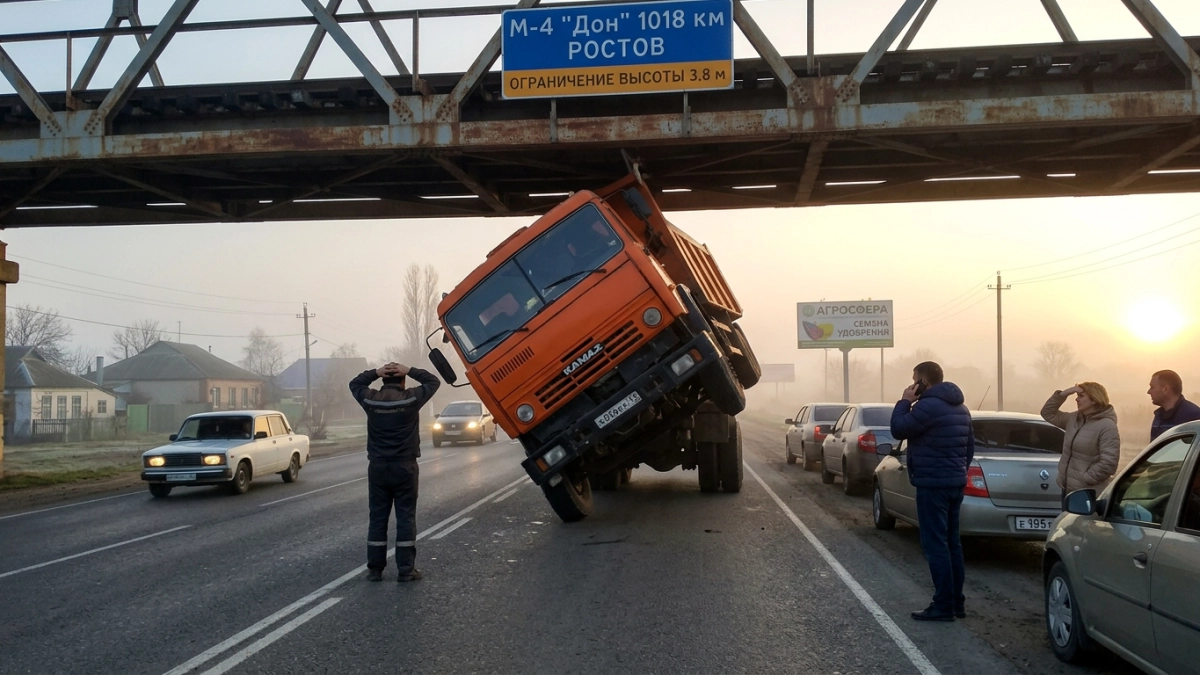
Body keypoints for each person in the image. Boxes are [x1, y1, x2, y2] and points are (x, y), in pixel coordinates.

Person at [890, 361, 974, 622]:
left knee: (935, 546)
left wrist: (904, 401)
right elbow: (969, 448)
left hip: (932, 485)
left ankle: (943, 606)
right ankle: (956, 603)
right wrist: (956, 471)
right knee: (952, 544)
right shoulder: (961, 408)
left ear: (923, 382)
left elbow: (899, 429)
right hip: (954, 484)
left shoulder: (927, 406)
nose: (912, 384)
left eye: (914, 379)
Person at [349, 361, 441, 582]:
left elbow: (355, 383)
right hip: (405, 466)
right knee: (405, 517)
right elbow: (433, 381)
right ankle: (406, 570)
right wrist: (410, 369)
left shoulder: (370, 399)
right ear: (403, 380)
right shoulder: (411, 399)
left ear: (382, 380)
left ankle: (375, 570)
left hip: (378, 466)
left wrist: (375, 372)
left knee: (378, 518)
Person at [1040, 382, 1120, 493]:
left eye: (1081, 396)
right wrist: (1064, 394)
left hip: (1087, 491)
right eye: (1077, 396)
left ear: (1094, 399)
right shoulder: (1074, 419)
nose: (1076, 399)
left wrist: (1085, 479)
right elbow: (1048, 413)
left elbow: (1109, 463)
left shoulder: (1106, 426)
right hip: (1067, 488)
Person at [1148, 370, 1200, 441]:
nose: (1149, 392)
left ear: (1165, 389)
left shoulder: (1194, 416)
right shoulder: (1158, 416)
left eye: (1152, 387)